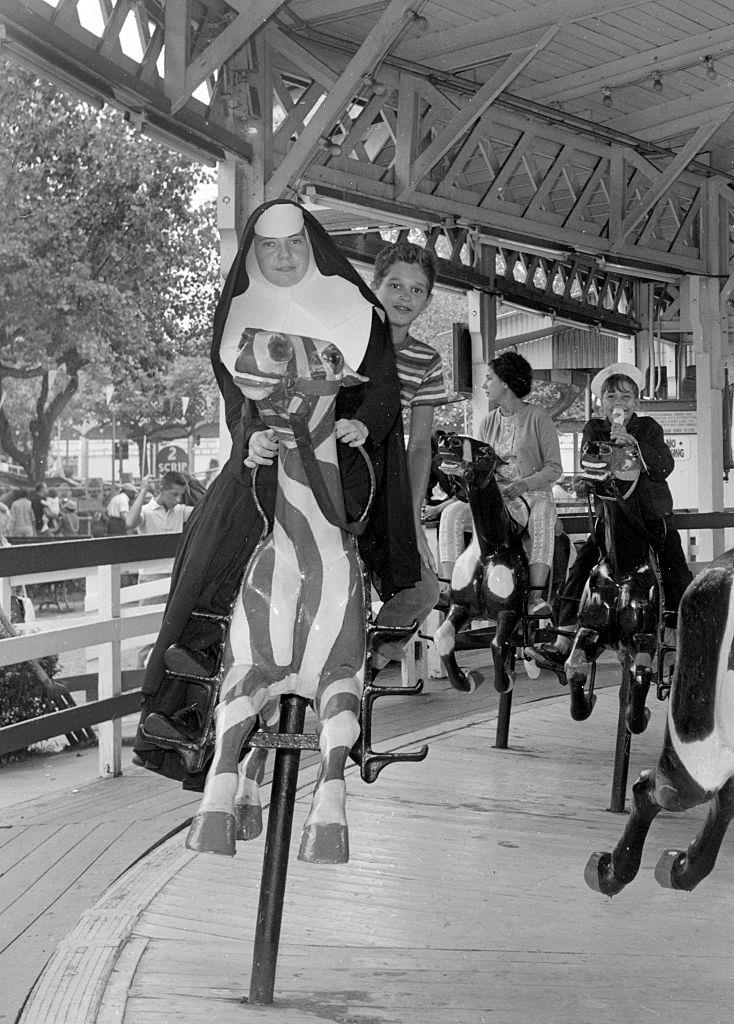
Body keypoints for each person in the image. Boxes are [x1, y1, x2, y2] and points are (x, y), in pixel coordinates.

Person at [132, 198, 420, 785]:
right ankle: (189, 701)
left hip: (339, 455)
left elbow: (383, 386)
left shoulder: (356, 307)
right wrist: (252, 433)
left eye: (293, 243)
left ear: (310, 243)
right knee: (209, 537)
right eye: (269, 245)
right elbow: (237, 398)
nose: (283, 255)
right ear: (253, 251)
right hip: (265, 459)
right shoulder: (238, 312)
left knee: (386, 546)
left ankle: (373, 646)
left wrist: (364, 422)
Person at [527, 362, 693, 669]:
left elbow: (663, 467)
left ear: (637, 402)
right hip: (611, 515)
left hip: (651, 514)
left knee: (675, 565)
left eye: (626, 397)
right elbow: (590, 463)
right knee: (581, 566)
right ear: (601, 403)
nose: (619, 404)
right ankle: (563, 637)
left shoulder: (649, 428)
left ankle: (685, 635)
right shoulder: (594, 429)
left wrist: (633, 442)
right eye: (612, 397)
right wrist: (586, 478)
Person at [367, 241, 453, 665]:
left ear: (427, 300)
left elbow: (420, 445)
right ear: (375, 285)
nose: (405, 297)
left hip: (384, 482)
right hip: (332, 472)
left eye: (417, 290)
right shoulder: (348, 342)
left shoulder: (425, 359)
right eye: (395, 285)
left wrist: (413, 516)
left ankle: (369, 661)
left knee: (425, 588)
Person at [436, 353, 563, 615]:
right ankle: (450, 588)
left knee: (542, 516)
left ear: (505, 382)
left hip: (533, 495)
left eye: (489, 379)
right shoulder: (487, 421)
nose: (484, 386)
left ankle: (535, 597)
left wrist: (524, 484)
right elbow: (476, 466)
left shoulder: (539, 417)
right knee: (451, 514)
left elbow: (554, 468)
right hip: (496, 498)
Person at [126, 472, 193, 535]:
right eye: (175, 494)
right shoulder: (146, 511)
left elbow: (203, 511)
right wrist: (143, 490)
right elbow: (130, 523)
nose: (178, 499)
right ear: (162, 489)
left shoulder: (182, 511)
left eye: (181, 495)